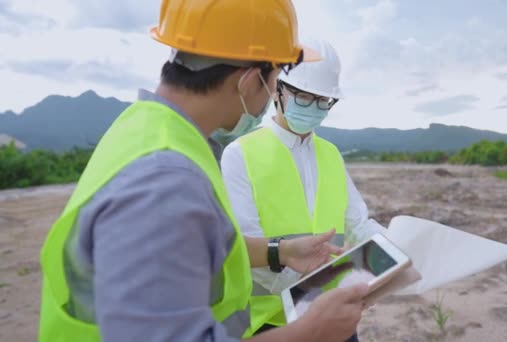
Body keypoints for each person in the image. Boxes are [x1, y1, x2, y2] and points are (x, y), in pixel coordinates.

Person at [37, 1, 368, 341]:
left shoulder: (149, 131)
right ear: (251, 81)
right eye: (275, 80)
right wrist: (311, 332)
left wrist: (279, 252)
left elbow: (195, 247)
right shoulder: (164, 180)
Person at [221, 39, 385, 338]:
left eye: (323, 100)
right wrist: (303, 283)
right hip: (270, 323)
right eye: (303, 97)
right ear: (277, 89)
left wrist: (393, 254)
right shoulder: (240, 153)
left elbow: (358, 224)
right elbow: (245, 245)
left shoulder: (331, 154)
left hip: (333, 312)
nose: (314, 108)